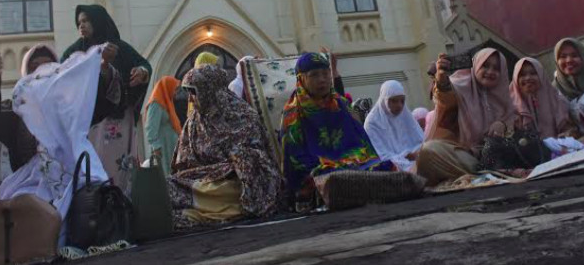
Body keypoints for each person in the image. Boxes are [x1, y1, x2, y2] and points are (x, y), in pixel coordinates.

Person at [0, 44, 120, 177]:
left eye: (48, 65)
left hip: (74, 183)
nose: (42, 71)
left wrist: (104, 66)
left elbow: (103, 104)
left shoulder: (71, 106)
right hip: (29, 186)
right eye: (34, 67)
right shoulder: (16, 110)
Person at [168, 64, 281, 228]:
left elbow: (258, 161)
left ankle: (212, 207)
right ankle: (206, 206)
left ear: (210, 89)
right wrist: (202, 176)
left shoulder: (243, 115)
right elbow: (182, 165)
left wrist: (237, 163)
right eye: (188, 93)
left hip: (232, 183)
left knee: (236, 185)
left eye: (194, 92)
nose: (190, 99)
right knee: (168, 187)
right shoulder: (194, 122)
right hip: (202, 183)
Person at [62, 5, 152, 194]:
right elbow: (62, 78)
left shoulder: (118, 48)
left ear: (97, 20)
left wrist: (141, 73)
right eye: (79, 23)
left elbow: (143, 64)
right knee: (93, 172)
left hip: (118, 122)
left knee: (120, 173)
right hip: (90, 124)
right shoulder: (74, 53)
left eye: (86, 20)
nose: (81, 26)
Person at [281, 53, 392, 202]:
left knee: (384, 166)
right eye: (314, 75)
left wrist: (353, 162)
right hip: (319, 169)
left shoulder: (342, 104)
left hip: (352, 163)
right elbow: (295, 160)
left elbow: (363, 143)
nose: (322, 80)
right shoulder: (292, 114)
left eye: (326, 74)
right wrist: (324, 167)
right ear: (301, 79)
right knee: (331, 180)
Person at [416, 49, 516, 186]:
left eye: (496, 68)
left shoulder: (505, 96)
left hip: (500, 158)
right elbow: (446, 98)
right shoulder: (462, 85)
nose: (490, 72)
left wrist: (503, 124)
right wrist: (441, 78)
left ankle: (481, 174)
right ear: (476, 65)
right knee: (429, 151)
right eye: (485, 66)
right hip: (466, 156)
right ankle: (482, 174)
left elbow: (514, 121)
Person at [364, 81, 424, 171]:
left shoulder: (405, 115)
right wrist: (405, 156)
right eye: (394, 101)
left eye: (402, 101)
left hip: (414, 159)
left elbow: (420, 141)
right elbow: (381, 156)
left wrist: (417, 153)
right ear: (384, 100)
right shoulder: (372, 122)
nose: (399, 105)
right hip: (392, 167)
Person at [510, 57, 576, 139]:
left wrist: (566, 135)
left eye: (533, 73)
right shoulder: (509, 107)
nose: (528, 78)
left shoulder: (557, 100)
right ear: (516, 79)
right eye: (522, 75)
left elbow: (569, 129)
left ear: (541, 75)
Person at [144, 76, 185, 174]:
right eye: (174, 89)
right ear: (167, 87)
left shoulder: (167, 101)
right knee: (164, 175)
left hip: (169, 145)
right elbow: (150, 128)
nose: (175, 93)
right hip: (162, 148)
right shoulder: (156, 104)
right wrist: (156, 147)